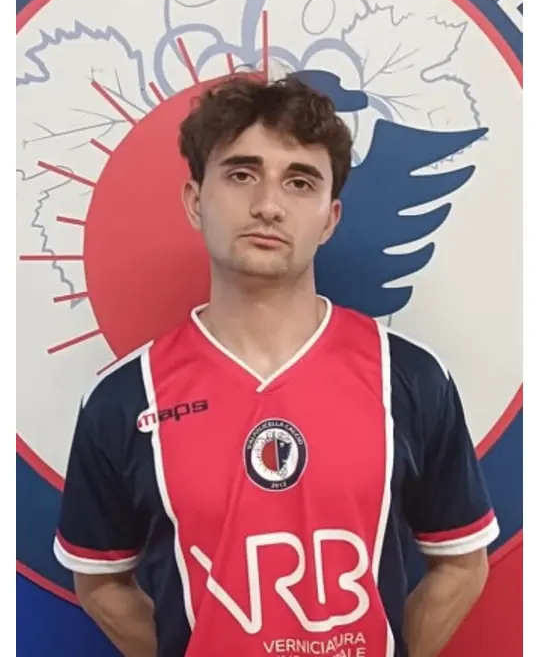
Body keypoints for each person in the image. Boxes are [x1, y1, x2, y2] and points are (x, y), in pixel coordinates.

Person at [54, 74, 499, 657]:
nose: (268, 205)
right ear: (195, 201)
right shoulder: (125, 399)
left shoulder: (410, 378)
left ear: (330, 218)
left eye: (299, 181)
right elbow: (101, 583)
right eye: (242, 175)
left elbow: (462, 564)